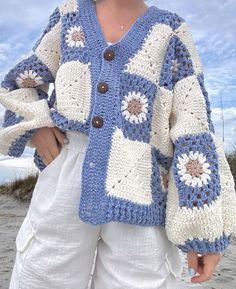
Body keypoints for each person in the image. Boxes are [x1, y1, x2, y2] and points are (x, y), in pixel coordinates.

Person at [0, 0, 236, 288]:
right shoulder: (70, 14)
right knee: (41, 277)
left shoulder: (171, 31)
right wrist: (36, 124)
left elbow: (194, 129)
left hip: (143, 188)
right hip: (64, 176)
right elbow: (21, 82)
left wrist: (204, 231)